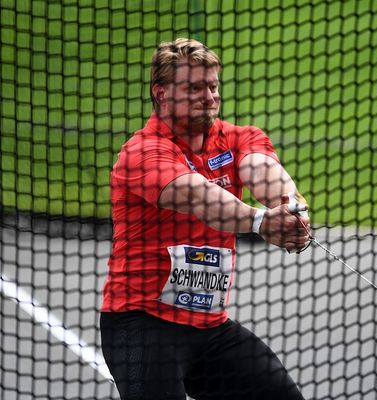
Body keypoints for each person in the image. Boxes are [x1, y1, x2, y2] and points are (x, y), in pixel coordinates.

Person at [100, 38, 310, 400]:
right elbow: (200, 197)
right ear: (161, 93)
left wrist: (292, 209)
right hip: (142, 326)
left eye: (213, 86)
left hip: (211, 330)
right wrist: (261, 222)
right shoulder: (142, 152)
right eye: (194, 88)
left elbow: (263, 170)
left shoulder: (239, 138)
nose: (209, 96)